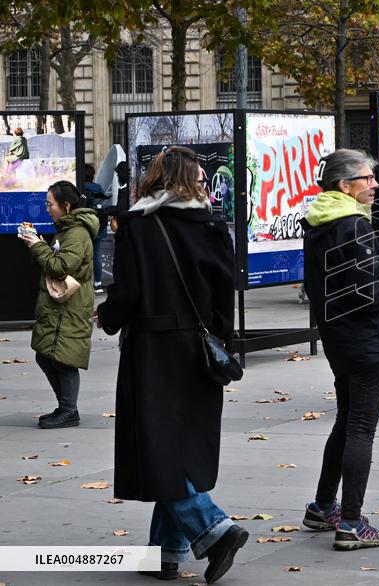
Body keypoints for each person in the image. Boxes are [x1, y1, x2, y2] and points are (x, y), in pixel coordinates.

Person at [96, 146, 247, 583]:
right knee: (178, 444)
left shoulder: (139, 225)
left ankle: (213, 529)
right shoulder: (212, 225)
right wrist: (221, 340)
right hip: (200, 347)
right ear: (193, 181)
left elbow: (128, 292)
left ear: (156, 179)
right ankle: (164, 554)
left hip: (154, 348)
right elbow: (225, 293)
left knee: (157, 444)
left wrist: (107, 317)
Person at [301, 149, 379, 551]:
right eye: (366, 179)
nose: (375, 184)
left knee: (346, 421)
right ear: (344, 185)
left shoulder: (320, 220)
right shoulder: (352, 225)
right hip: (365, 339)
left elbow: (340, 284)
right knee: (361, 428)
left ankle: (322, 507)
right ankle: (350, 523)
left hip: (338, 335)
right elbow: (367, 292)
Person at [20, 181, 99, 429]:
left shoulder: (76, 233)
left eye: (50, 204)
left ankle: (68, 410)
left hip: (69, 307)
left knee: (63, 359)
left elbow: (60, 267)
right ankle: (65, 407)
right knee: (47, 356)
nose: (47, 209)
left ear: (66, 205)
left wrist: (38, 246)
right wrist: (40, 246)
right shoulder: (67, 229)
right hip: (58, 306)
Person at [82, 163, 111, 293]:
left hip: (85, 226)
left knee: (83, 255)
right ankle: (98, 284)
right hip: (100, 225)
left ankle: (84, 284)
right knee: (96, 254)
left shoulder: (80, 188)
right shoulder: (98, 188)